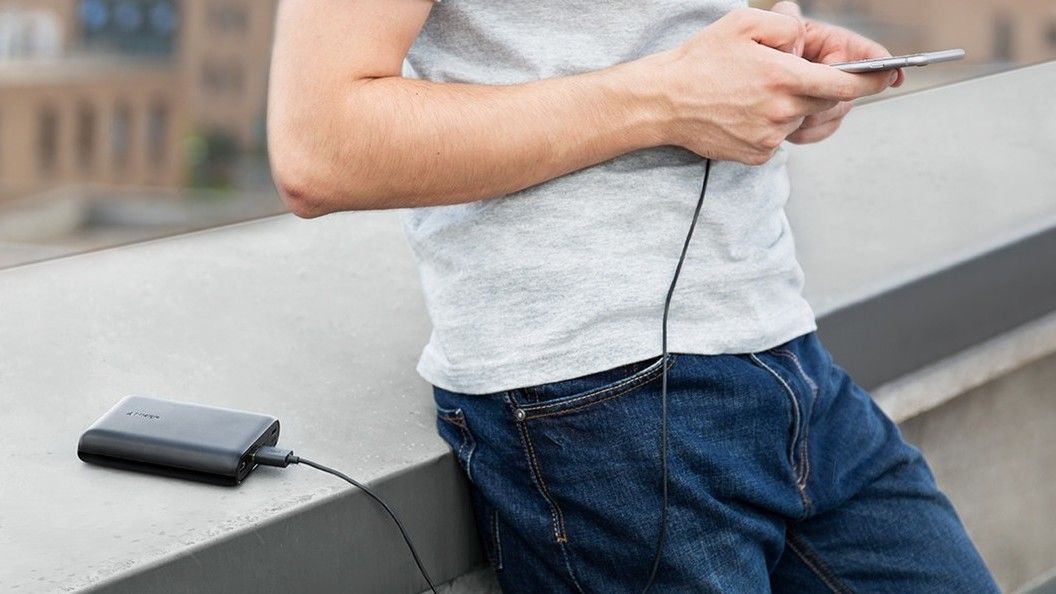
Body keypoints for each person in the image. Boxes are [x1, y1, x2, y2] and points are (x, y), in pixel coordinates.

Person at [267, 1, 999, 591]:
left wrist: (788, 70)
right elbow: (320, 145)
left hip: (785, 355)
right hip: (602, 398)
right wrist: (668, 100)